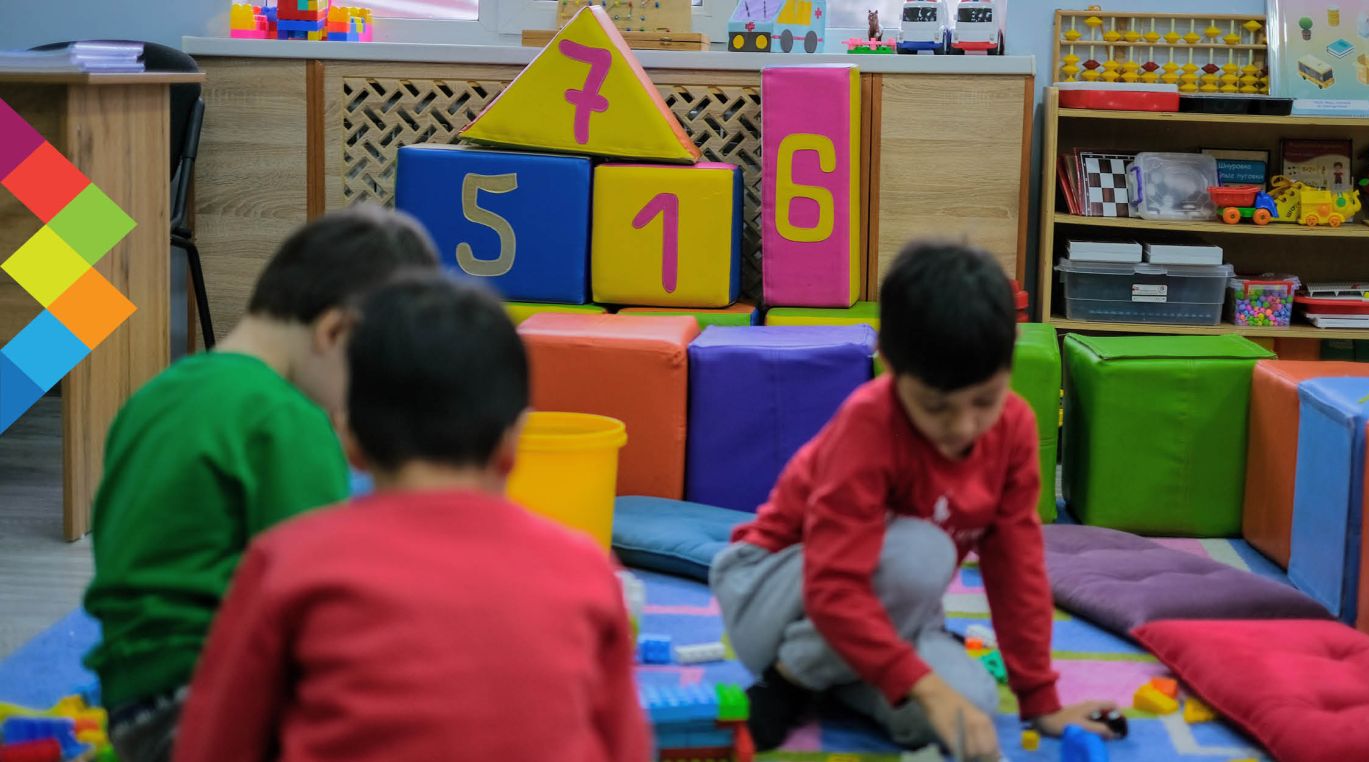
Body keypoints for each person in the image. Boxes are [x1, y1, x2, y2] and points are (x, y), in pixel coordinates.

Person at [173, 274, 651, 762]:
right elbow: (627, 748)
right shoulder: (587, 569)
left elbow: (213, 745)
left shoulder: (286, 562)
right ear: (512, 444)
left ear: (350, 440)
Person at [711, 241, 1119, 760]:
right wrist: (924, 685)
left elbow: (1016, 569)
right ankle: (788, 680)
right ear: (889, 366)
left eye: (984, 401)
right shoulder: (869, 424)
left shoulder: (1014, 429)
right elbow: (834, 587)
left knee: (970, 702)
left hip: (889, 612)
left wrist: (1041, 702)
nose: (964, 426)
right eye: (936, 406)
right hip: (769, 594)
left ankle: (839, 677)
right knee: (920, 554)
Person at [83, 204, 440, 762]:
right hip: (211, 710)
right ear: (335, 331)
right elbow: (327, 604)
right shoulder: (284, 419)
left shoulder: (162, 392)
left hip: (130, 704)